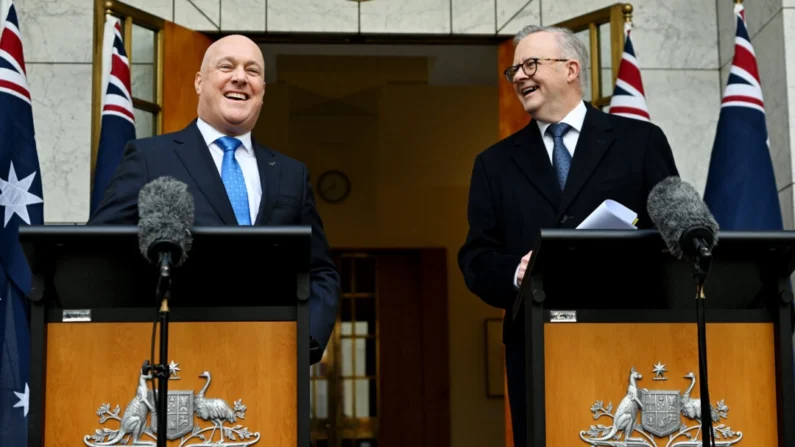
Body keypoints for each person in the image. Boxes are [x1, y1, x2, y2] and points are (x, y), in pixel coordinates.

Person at [457, 25, 678, 445]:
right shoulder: (494, 163)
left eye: (531, 64)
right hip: (539, 350)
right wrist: (517, 272)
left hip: (630, 336)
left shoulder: (640, 141)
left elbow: (670, 236)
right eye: (514, 70)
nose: (519, 76)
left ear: (571, 68)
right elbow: (476, 257)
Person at [88, 34, 339, 363]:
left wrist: (305, 339)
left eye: (252, 70)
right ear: (199, 81)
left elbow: (320, 271)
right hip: (174, 357)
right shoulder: (150, 157)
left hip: (270, 361)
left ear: (263, 89)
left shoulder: (291, 173)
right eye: (226, 66)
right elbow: (98, 251)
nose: (240, 77)